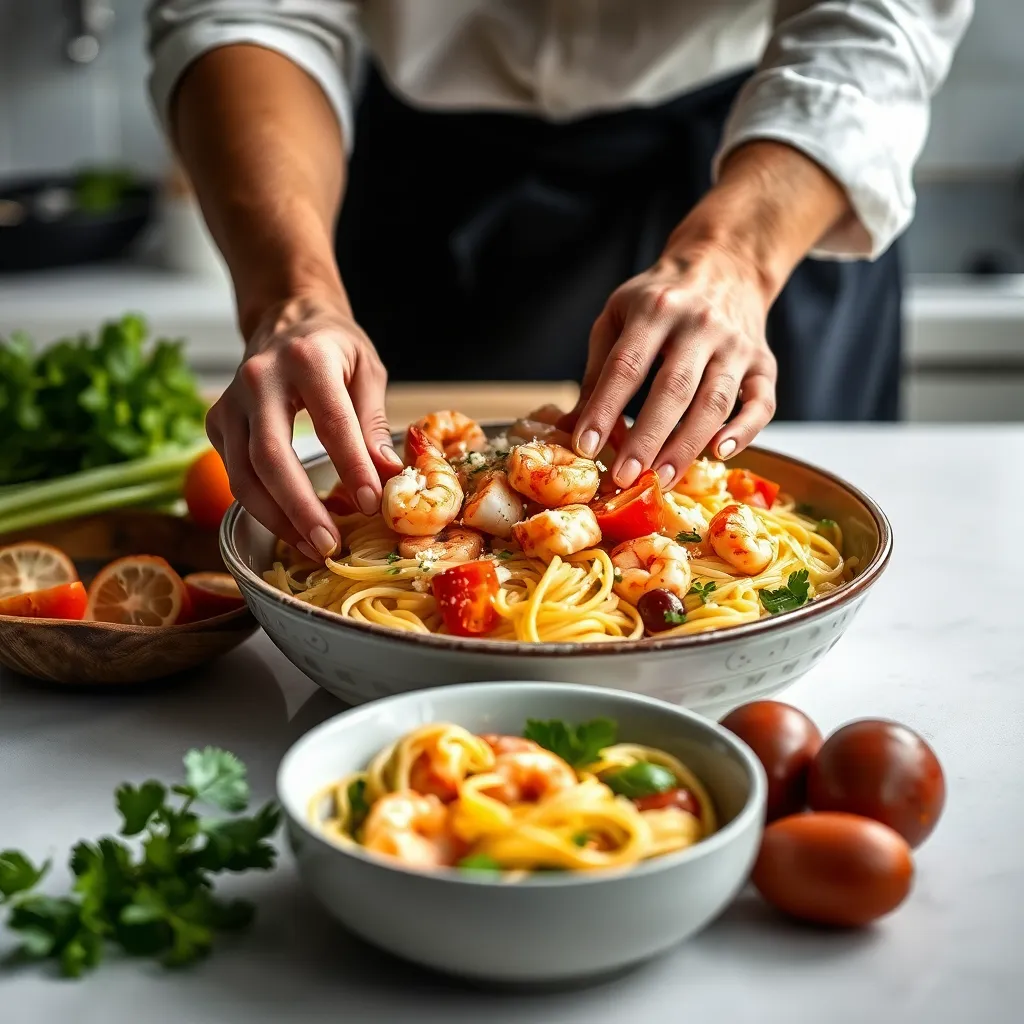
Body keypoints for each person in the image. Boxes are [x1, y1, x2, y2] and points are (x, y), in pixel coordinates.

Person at [147, 1, 971, 564]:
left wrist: (739, 255)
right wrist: (294, 295)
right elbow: (249, 10)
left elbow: (879, 14)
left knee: (785, 505)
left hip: (772, 159)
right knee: (376, 516)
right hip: (429, 180)